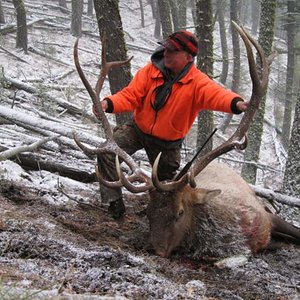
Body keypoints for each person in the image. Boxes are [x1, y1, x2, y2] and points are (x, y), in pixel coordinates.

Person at [94, 30, 249, 220]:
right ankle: (114, 204)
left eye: (172, 51)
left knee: (167, 190)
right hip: (138, 130)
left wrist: (237, 103)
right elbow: (130, 95)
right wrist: (108, 103)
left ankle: (155, 216)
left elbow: (218, 95)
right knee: (107, 151)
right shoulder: (150, 71)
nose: (166, 53)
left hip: (166, 144)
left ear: (188, 57)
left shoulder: (197, 83)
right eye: (166, 48)